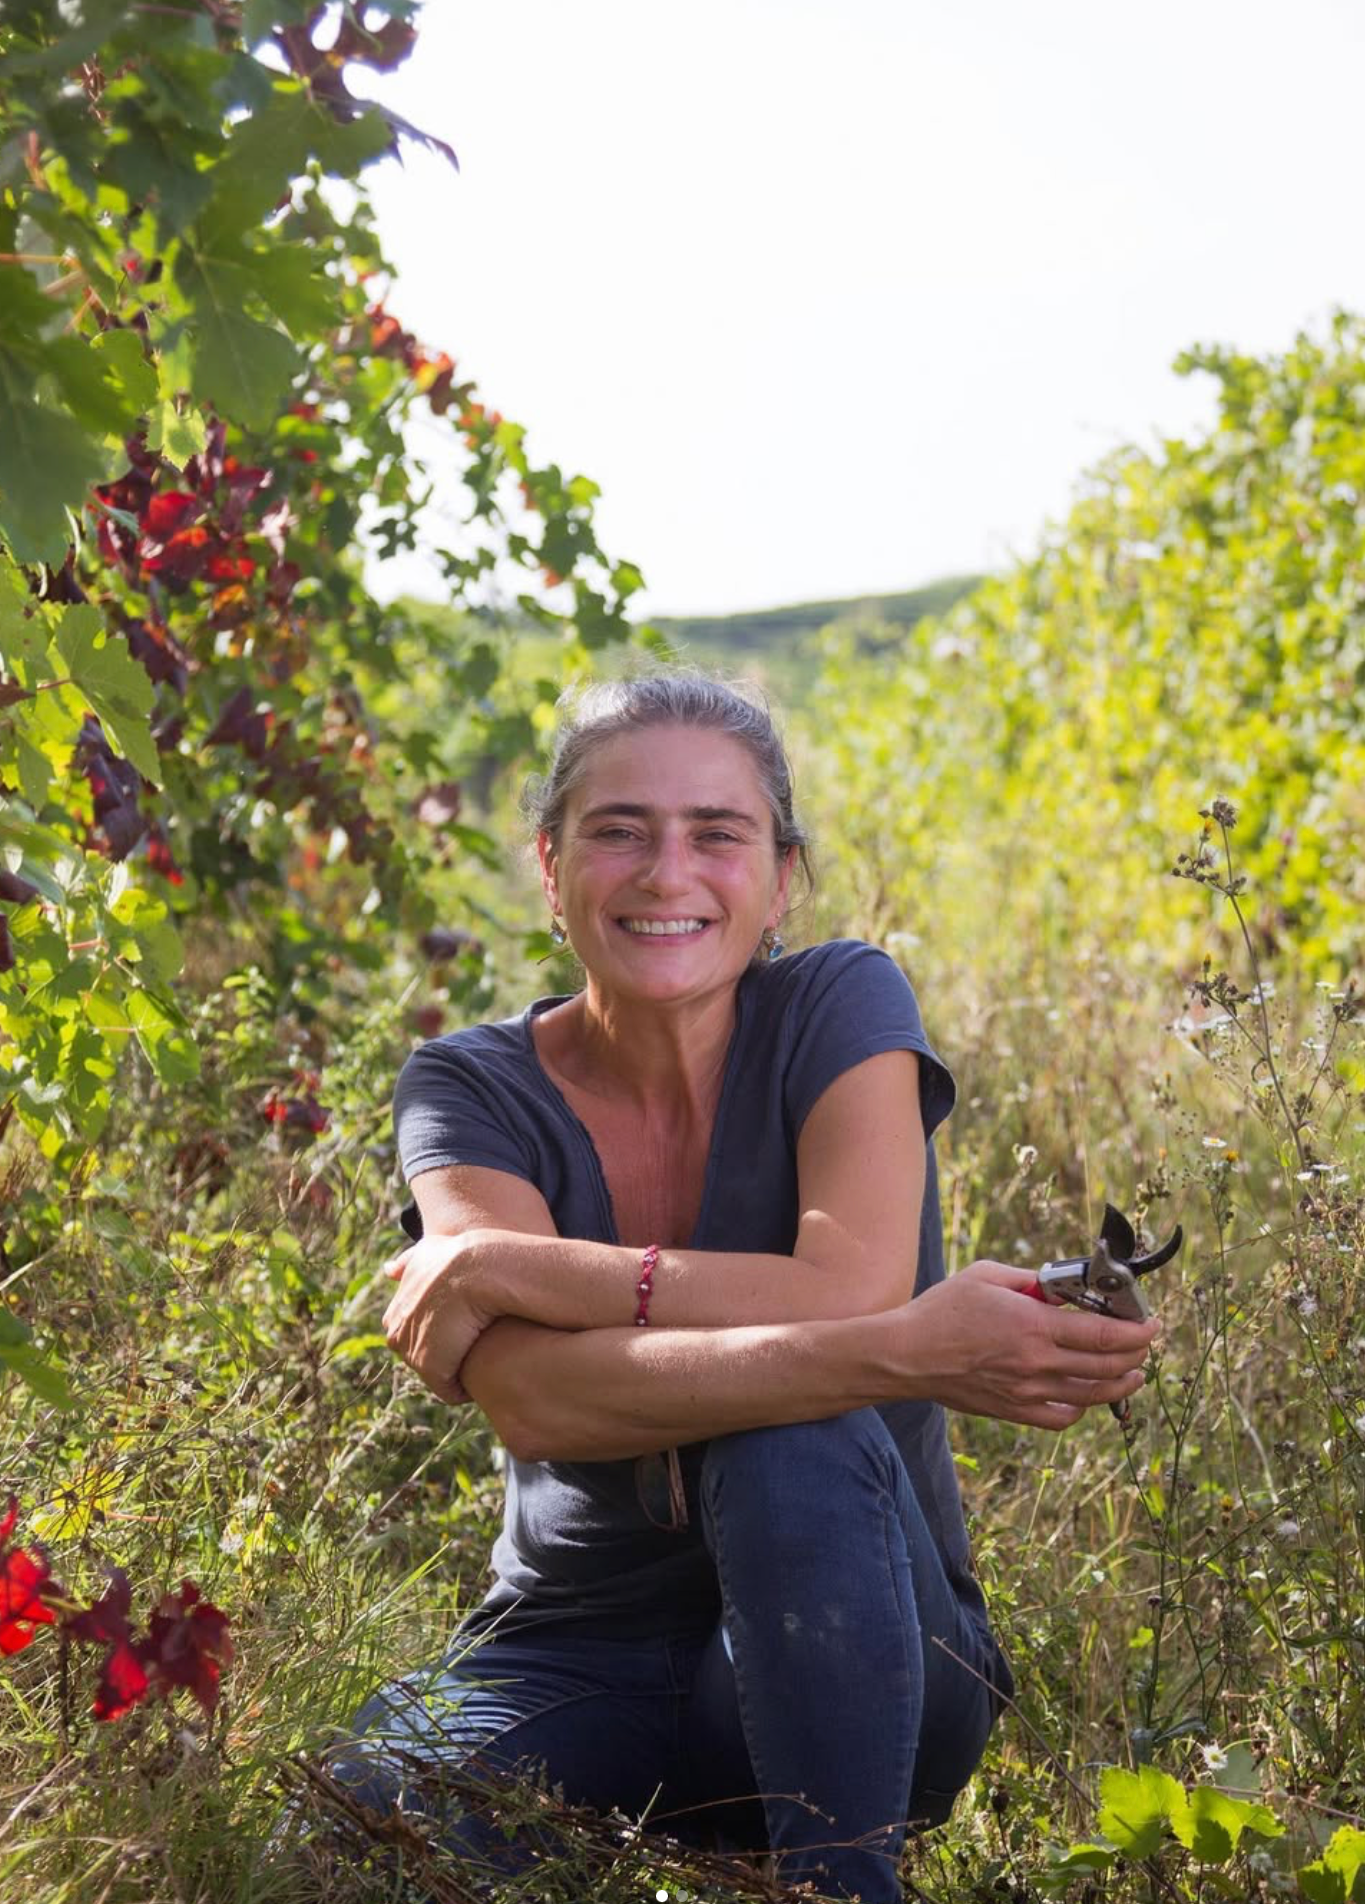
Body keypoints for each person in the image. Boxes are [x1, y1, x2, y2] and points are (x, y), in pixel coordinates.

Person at [340, 672, 1158, 1904]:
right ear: (551, 866)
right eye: (618, 829)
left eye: (716, 833)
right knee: (361, 1804)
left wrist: (512, 1262)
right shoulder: (465, 1086)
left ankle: (838, 1884)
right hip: (570, 1654)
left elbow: (847, 1282)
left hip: (878, 1656)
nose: (667, 873)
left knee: (791, 1443)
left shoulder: (840, 1001)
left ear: (780, 878)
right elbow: (535, 1399)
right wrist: (904, 1348)